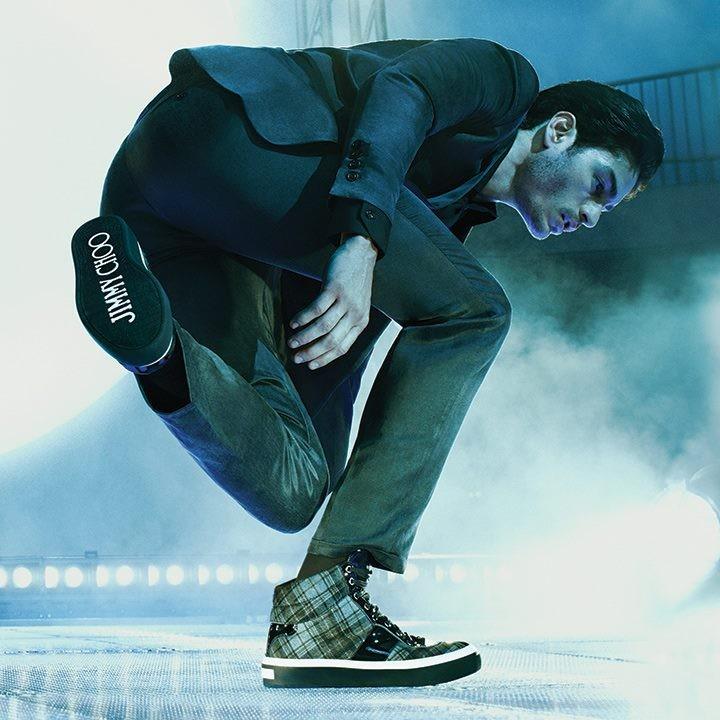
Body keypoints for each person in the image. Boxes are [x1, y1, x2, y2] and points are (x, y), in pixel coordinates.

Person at [70, 36, 664, 688]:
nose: (590, 215)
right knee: (478, 313)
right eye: (599, 185)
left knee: (297, 484)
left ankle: (153, 348)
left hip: (165, 209)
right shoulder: (503, 82)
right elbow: (401, 90)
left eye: (605, 210)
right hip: (239, 132)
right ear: (559, 131)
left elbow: (342, 354)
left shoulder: (445, 218)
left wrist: (310, 442)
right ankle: (326, 605)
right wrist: (360, 238)